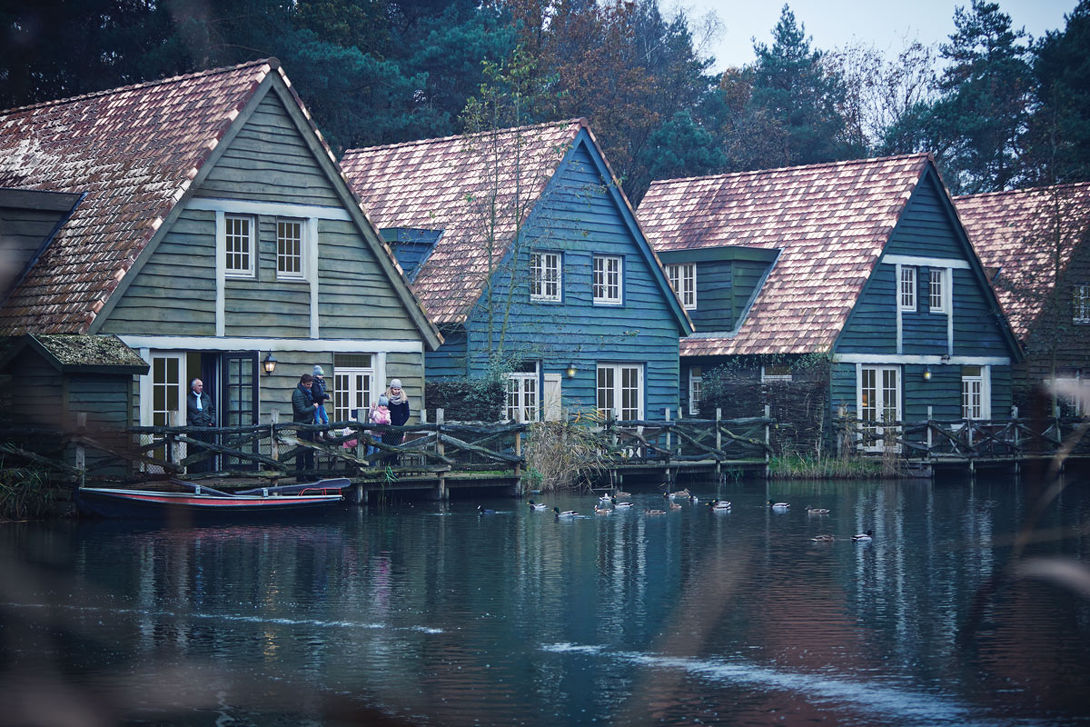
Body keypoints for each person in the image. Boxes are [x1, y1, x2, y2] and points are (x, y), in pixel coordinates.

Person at [185, 378, 215, 473]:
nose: (201, 387)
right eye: (199, 385)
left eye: (202, 385)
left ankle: (206, 471)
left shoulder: (206, 397)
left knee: (206, 449)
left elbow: (212, 410)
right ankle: (195, 472)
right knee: (196, 449)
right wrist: (190, 425)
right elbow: (186, 413)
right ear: (193, 387)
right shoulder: (188, 399)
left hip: (206, 427)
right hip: (195, 428)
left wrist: (211, 421)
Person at [292, 373, 317, 479]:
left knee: (310, 449)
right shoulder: (298, 393)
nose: (310, 386)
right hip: (301, 425)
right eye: (308, 384)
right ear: (302, 383)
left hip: (308, 424)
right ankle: (300, 474)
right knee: (301, 450)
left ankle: (310, 474)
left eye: (311, 384)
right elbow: (302, 410)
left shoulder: (307, 392)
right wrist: (314, 407)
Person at [383, 379, 410, 464]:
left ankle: (394, 468)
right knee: (387, 449)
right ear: (391, 389)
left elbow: (407, 413)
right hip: (387, 428)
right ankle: (386, 468)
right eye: (395, 389)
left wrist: (401, 423)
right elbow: (382, 410)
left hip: (398, 428)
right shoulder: (386, 398)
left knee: (395, 449)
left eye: (398, 389)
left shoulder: (404, 399)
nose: (397, 391)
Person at [311, 365, 330, 438]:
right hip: (316, 404)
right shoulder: (315, 383)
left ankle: (325, 433)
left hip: (321, 404)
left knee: (325, 419)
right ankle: (317, 435)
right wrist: (326, 396)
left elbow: (322, 391)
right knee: (317, 420)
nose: (321, 376)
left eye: (322, 375)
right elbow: (317, 394)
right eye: (319, 375)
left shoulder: (321, 382)